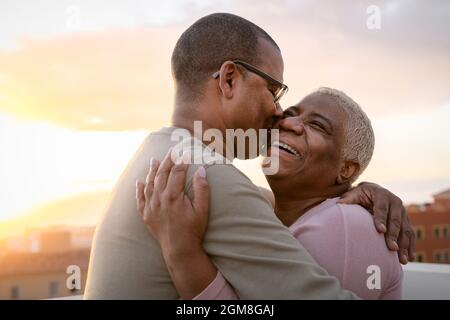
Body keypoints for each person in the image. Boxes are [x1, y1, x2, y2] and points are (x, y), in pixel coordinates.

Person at [85, 13, 415, 299]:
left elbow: (270, 204)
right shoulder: (209, 178)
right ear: (229, 79)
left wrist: (353, 192)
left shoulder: (159, 151)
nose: (279, 113)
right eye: (273, 91)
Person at [137, 88, 404, 299]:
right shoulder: (270, 207)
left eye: (317, 126)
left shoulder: (344, 224)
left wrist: (183, 254)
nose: (289, 124)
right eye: (291, 113)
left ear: (346, 169)